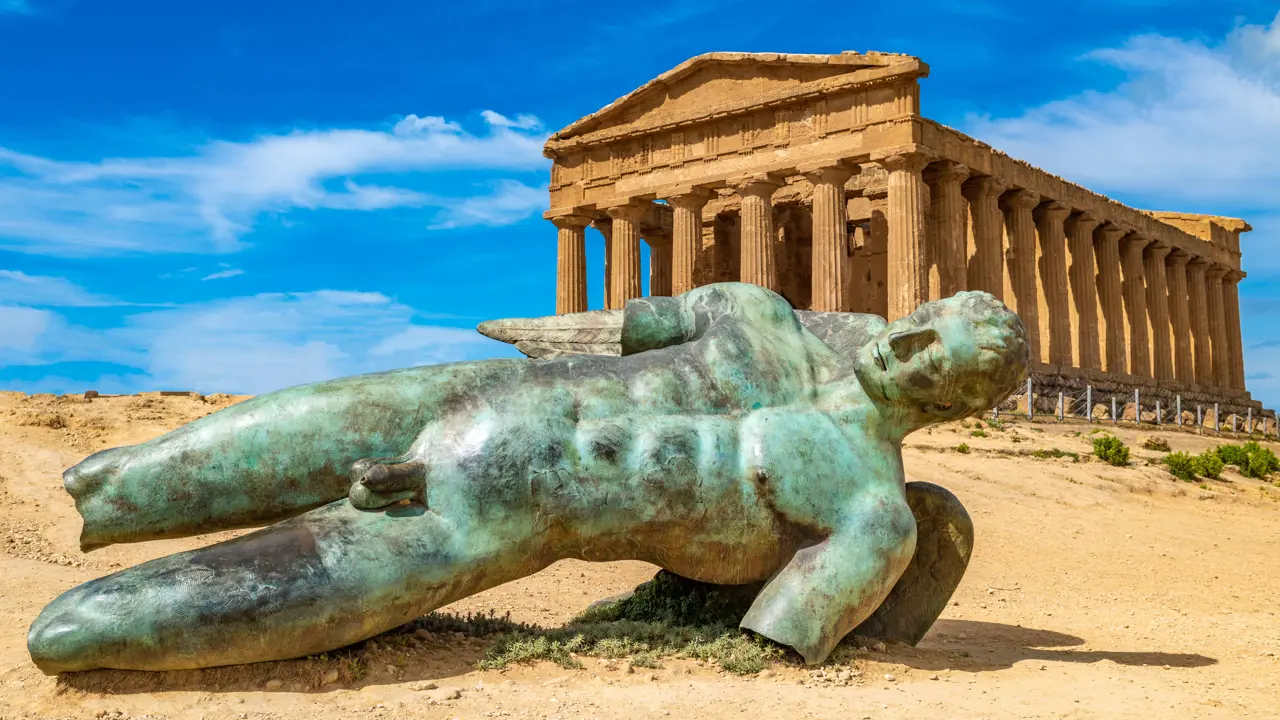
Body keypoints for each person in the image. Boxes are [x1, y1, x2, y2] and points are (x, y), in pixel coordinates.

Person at [29, 282, 1028, 673]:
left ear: (956, 404)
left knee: (82, 633)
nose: (901, 343)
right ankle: (109, 501)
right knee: (117, 481)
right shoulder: (757, 314)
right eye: (919, 321)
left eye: (932, 358)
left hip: (507, 511)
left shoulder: (871, 514)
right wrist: (525, 334)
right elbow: (606, 329)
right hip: (468, 394)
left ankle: (89, 635)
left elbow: (768, 641)